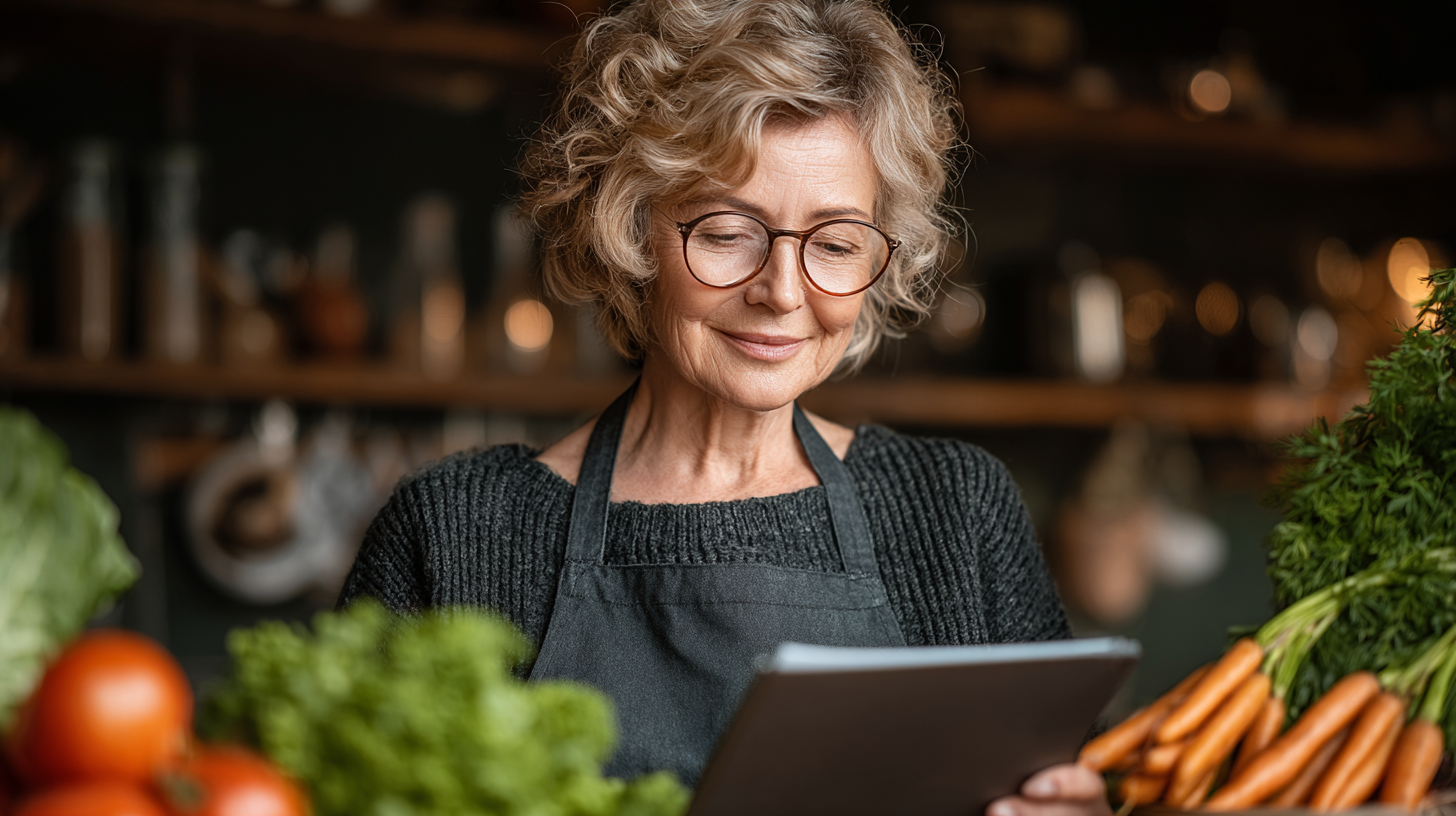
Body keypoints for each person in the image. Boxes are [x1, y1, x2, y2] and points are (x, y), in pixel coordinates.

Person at [339, 1, 1110, 814]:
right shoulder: (456, 532)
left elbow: (1076, 784)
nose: (782, 292)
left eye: (837, 243)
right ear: (632, 230)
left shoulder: (955, 512)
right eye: (726, 231)